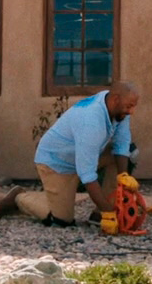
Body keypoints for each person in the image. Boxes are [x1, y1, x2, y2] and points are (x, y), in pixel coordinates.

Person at [33, 81, 140, 232]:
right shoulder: (91, 121)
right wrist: (108, 214)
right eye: (129, 106)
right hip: (56, 163)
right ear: (116, 99)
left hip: (81, 155)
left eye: (133, 106)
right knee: (62, 220)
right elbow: (87, 174)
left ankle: (98, 214)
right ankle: (19, 197)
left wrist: (123, 176)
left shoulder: (118, 109)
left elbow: (122, 144)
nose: (132, 111)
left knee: (127, 152)